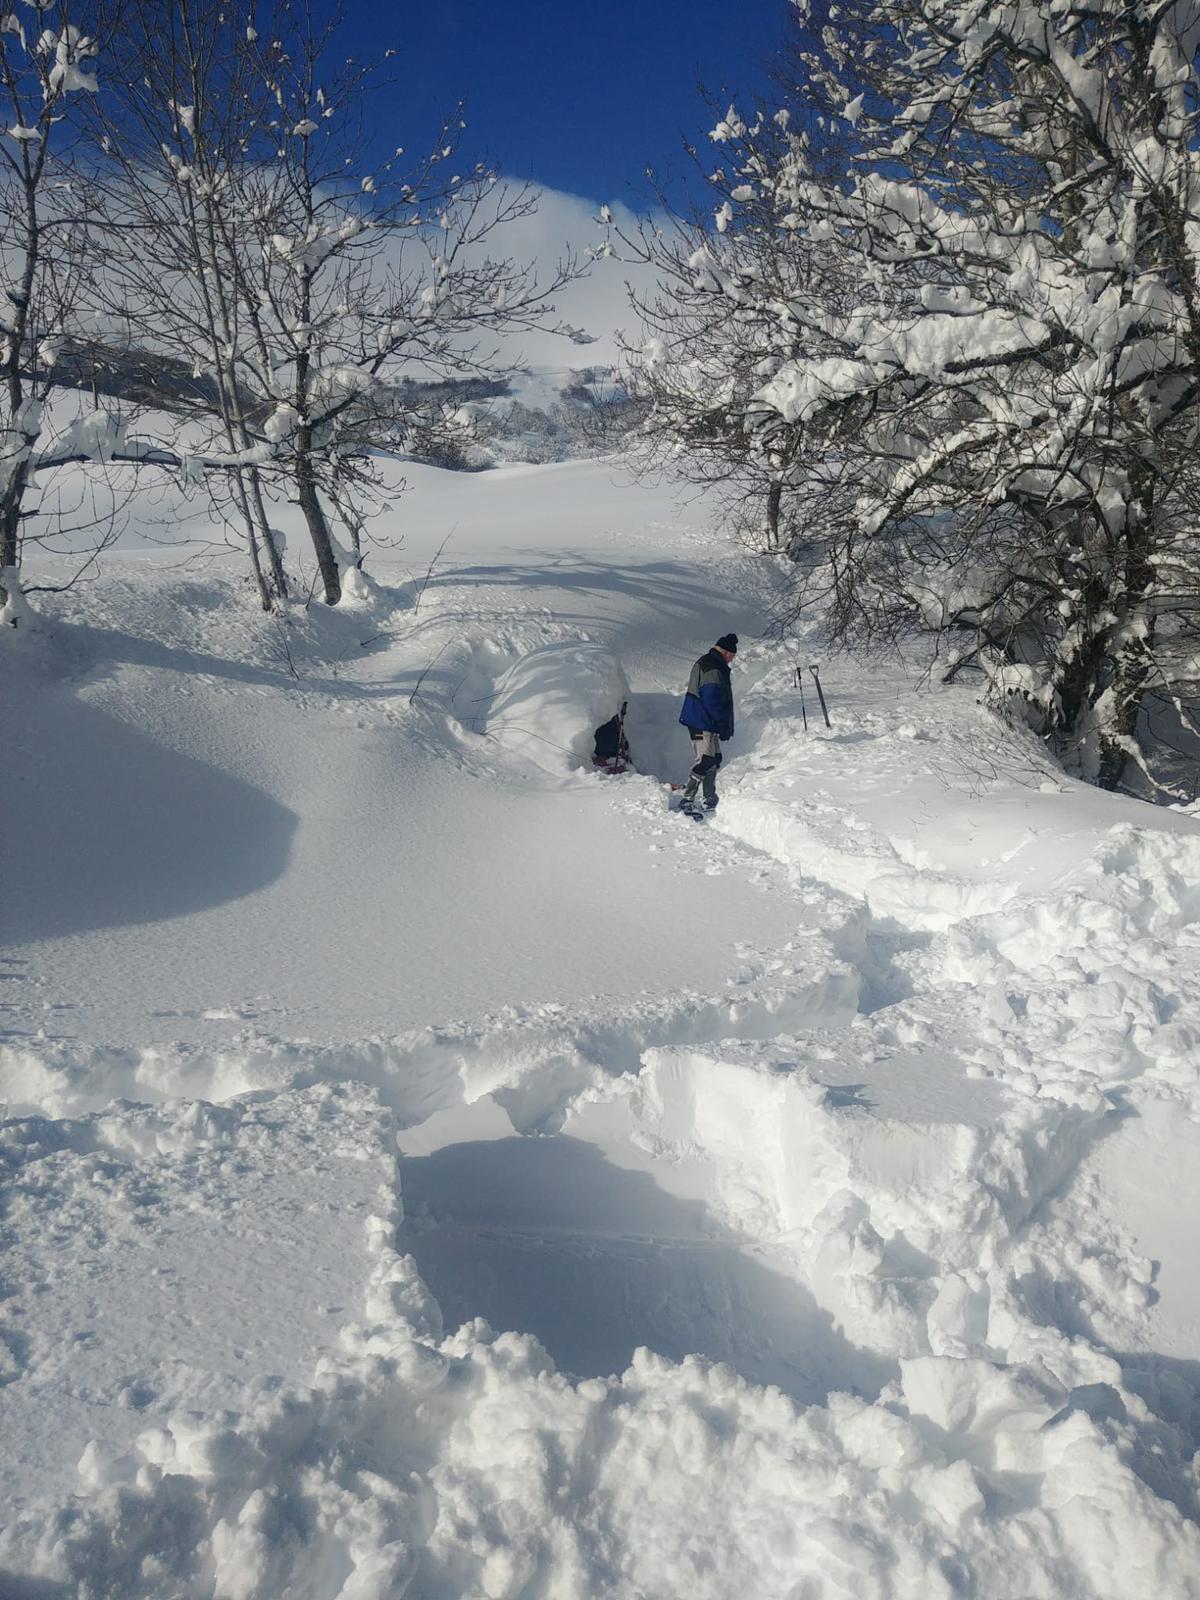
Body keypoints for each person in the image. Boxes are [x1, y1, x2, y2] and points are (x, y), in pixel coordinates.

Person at [678, 633, 737, 815]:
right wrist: (721, 723)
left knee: (714, 759)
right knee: (705, 760)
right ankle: (687, 798)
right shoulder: (712, 667)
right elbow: (712, 699)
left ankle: (709, 797)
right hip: (702, 720)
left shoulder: (711, 663)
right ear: (726, 652)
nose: (732, 660)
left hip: (705, 721)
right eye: (732, 656)